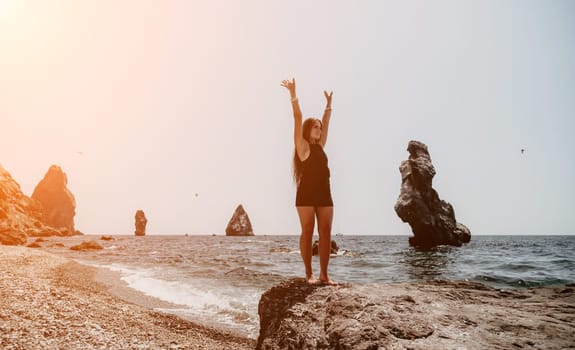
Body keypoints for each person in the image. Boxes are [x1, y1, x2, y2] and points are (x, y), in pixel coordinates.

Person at [281, 78, 337, 286]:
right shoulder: (302, 147)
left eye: (320, 128)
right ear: (308, 130)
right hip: (306, 194)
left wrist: (328, 106)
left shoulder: (321, 145)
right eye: (316, 127)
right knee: (307, 230)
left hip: (324, 192)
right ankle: (308, 274)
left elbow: (327, 121)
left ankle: (324, 274)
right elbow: (298, 117)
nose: (319, 130)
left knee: (326, 232)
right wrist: (293, 95)